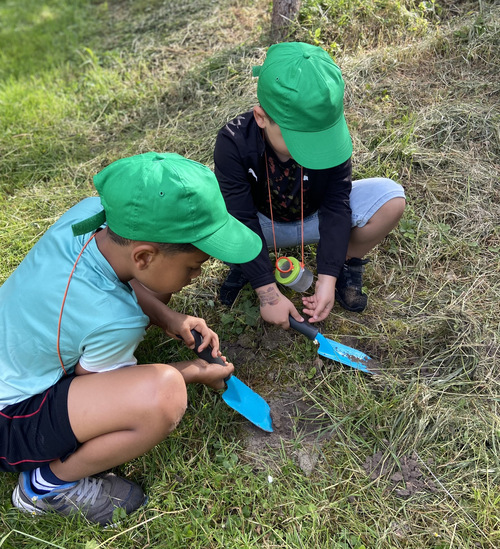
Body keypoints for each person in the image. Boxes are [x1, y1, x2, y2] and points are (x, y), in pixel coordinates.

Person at [0, 152, 262, 526]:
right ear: (144, 256)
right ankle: (45, 486)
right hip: (11, 418)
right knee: (163, 395)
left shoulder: (90, 216)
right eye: (193, 266)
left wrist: (167, 317)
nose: (197, 276)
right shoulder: (114, 320)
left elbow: (111, 282)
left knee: (157, 294)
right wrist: (194, 371)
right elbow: (107, 389)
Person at [214, 42, 406, 328]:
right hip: (260, 225)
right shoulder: (233, 142)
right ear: (261, 117)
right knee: (201, 215)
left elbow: (337, 203)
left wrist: (328, 277)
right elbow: (241, 218)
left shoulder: (331, 140)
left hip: (314, 219)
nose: (313, 149)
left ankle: (345, 261)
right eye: (299, 139)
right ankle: (248, 266)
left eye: (320, 138)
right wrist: (268, 294)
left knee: (390, 198)